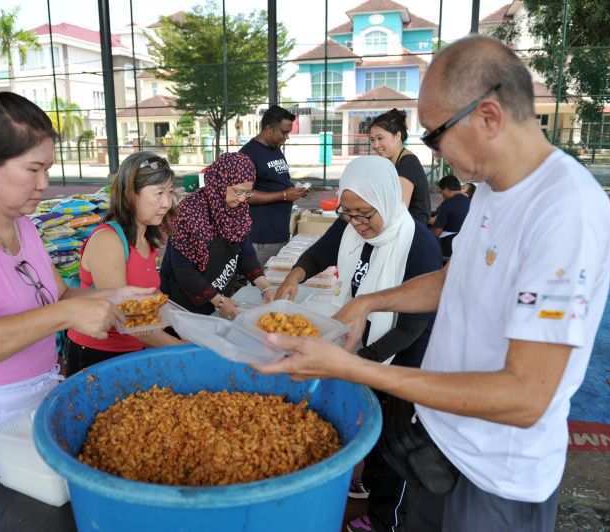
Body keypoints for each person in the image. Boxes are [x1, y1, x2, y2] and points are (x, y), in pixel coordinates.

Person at [255, 35, 610, 532]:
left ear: (488, 116)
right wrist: (368, 303)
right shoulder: (491, 189)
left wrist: (355, 368)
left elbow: (525, 395)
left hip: (496, 475)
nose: (434, 153)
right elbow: (453, 279)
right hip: (440, 445)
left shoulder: (565, 212)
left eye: (435, 135)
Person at [0, 91, 152, 527]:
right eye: (33, 169)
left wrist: (115, 296)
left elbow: (56, 297)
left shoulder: (22, 224)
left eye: (48, 169)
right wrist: (64, 317)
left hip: (30, 406)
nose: (44, 184)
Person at [274, 156, 441, 532]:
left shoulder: (419, 245)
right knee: (369, 429)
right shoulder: (350, 225)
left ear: (386, 200)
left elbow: (409, 329)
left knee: (394, 449)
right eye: (348, 214)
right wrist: (294, 277)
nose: (356, 223)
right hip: (364, 346)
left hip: (403, 361)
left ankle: (386, 520)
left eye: (365, 214)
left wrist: (356, 363)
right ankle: (370, 489)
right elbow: (319, 253)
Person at [64, 152, 183, 376]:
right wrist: (181, 347)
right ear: (130, 194)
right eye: (159, 193)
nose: (167, 203)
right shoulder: (108, 240)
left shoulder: (146, 237)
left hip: (134, 350)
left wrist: (185, 327)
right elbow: (126, 317)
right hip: (97, 354)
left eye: (169, 192)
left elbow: (152, 297)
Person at [160, 152, 275, 319]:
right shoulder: (188, 214)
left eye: (248, 193)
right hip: (185, 303)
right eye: (238, 192)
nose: (242, 199)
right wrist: (218, 301)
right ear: (221, 183)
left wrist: (265, 286)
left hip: (217, 294)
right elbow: (184, 271)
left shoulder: (237, 209)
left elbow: (245, 251)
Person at [240, 105, 308, 267]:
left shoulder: (275, 148)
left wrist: (294, 190)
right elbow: (242, 194)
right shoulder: (247, 155)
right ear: (269, 128)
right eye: (284, 132)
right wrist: (284, 195)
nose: (287, 137)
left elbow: (276, 180)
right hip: (261, 239)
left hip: (280, 232)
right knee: (263, 280)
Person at [369, 109, 431, 225]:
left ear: (397, 136)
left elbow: (398, 211)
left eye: (380, 138)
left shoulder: (408, 163)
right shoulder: (391, 163)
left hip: (413, 230)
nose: (375, 145)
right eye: (372, 140)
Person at [430, 174, 470, 259]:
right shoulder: (470, 202)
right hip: (467, 244)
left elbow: (437, 232)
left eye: (441, 192)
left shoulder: (447, 204)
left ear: (447, 190)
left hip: (449, 246)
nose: (441, 195)